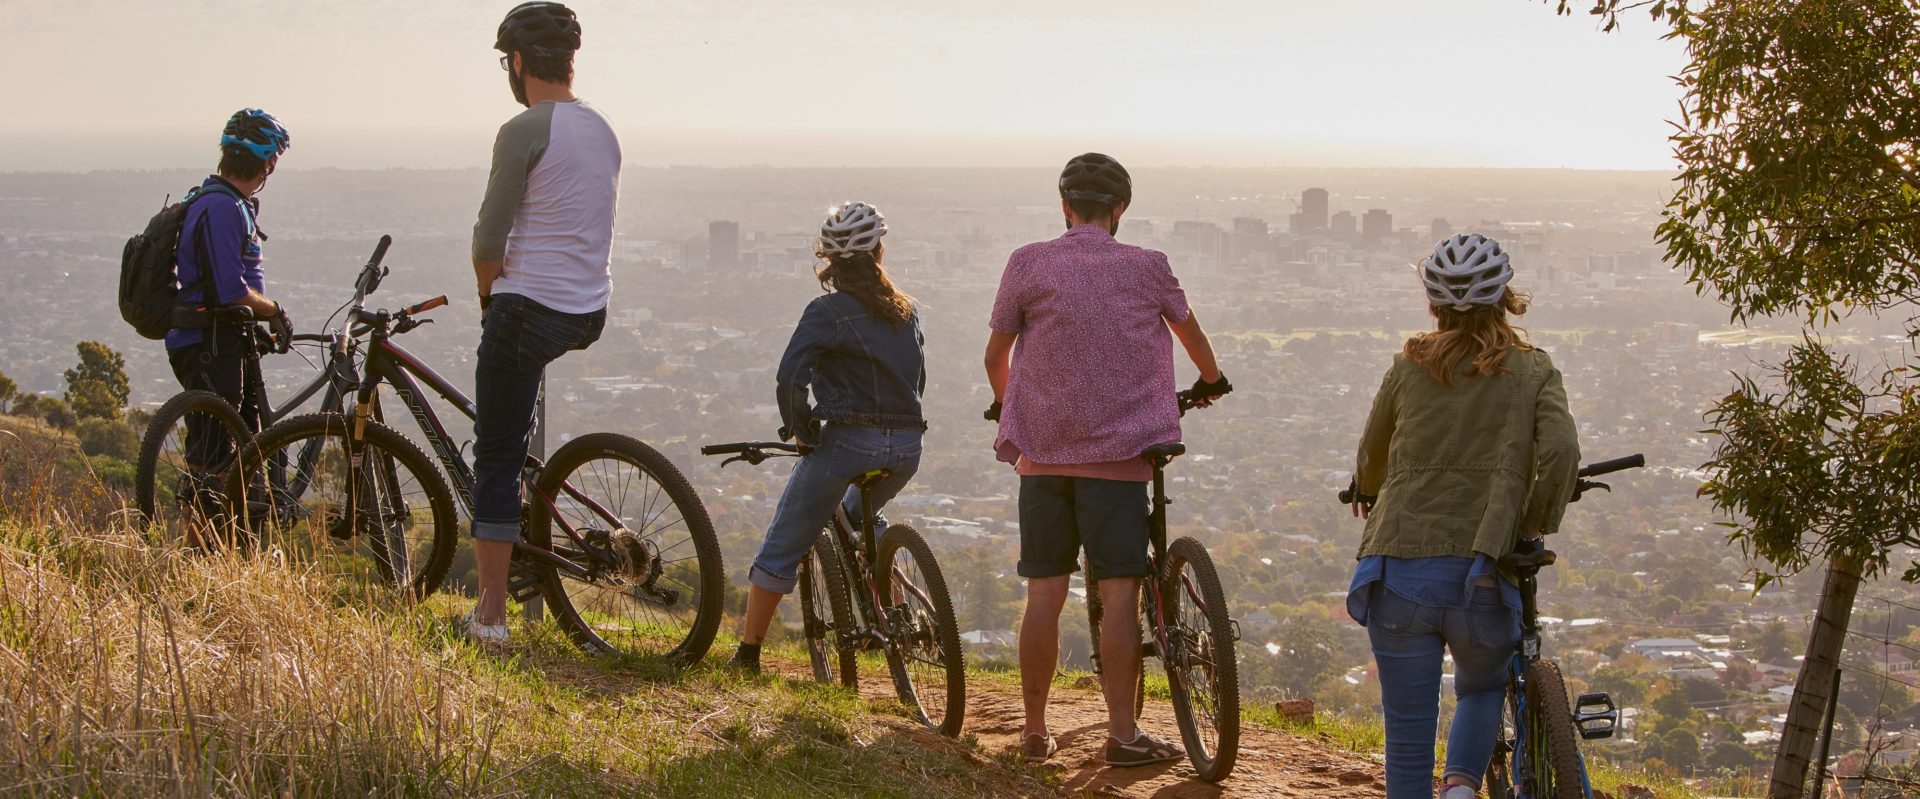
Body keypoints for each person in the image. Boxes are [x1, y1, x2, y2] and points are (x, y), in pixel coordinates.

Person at [983, 153, 1231, 767]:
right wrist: (1211, 380)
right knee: (1119, 595)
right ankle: (1123, 736)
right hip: (1119, 458)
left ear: (1064, 206)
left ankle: (1034, 732)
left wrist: (1007, 405)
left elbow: (996, 357)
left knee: (1044, 594)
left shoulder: (1027, 262)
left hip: (1042, 455)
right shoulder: (1148, 267)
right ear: (1120, 210)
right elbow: (1193, 339)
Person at [1346, 233, 1580, 799]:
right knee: (1480, 690)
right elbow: (1562, 454)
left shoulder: (1409, 366)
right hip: (1481, 569)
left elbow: (1374, 452)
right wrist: (1531, 521)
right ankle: (1459, 789)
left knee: (1407, 732)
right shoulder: (1532, 369)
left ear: (1434, 304)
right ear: (1505, 298)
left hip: (1398, 572)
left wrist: (1368, 488)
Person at [466, 0, 621, 644]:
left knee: (495, 461)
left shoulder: (524, 129)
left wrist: (486, 297)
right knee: (516, 424)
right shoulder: (604, 128)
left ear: (520, 63)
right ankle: (536, 497)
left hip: (528, 308)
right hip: (587, 310)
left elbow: (487, 241)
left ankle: (491, 618)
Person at [729, 201, 927, 673]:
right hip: (907, 447)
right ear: (879, 252)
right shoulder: (907, 311)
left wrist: (801, 432)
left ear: (828, 260)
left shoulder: (827, 312)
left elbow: (790, 377)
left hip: (846, 444)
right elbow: (916, 380)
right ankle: (898, 611)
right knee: (862, 519)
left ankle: (748, 654)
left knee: (785, 538)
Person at [166, 108, 294, 474]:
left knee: (242, 447)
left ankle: (235, 531)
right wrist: (272, 311)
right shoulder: (223, 207)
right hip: (208, 342)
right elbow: (230, 290)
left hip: (225, 338)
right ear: (266, 163)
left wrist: (254, 328)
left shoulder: (227, 202)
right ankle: (198, 532)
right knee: (210, 454)